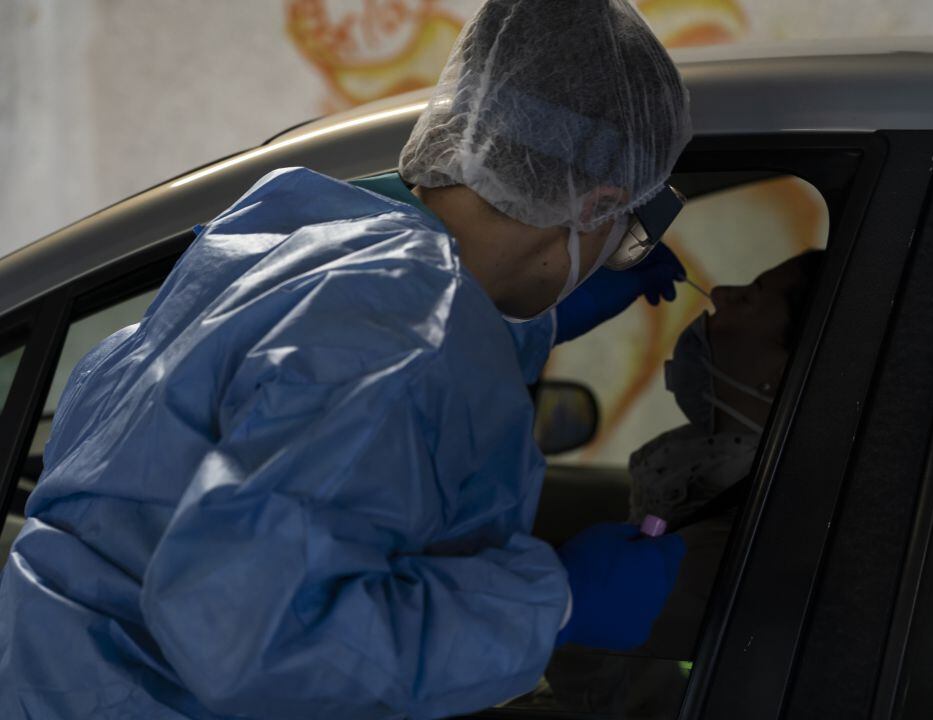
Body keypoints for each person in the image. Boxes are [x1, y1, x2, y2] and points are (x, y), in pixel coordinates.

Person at [0, 2, 692, 719]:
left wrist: (524, 329)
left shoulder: (307, 244)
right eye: (627, 230)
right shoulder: (406, 327)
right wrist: (552, 605)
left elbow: (353, 392)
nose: (617, 251)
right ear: (597, 204)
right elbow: (257, 639)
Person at [540, 250, 826, 717]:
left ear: (782, 372)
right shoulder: (723, 485)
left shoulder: (752, 530)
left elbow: (633, 701)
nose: (719, 294)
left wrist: (569, 614)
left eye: (753, 298)